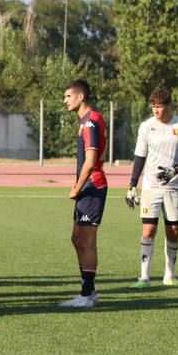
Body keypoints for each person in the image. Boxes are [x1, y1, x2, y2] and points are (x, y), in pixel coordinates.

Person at [125, 88, 178, 288]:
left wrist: (175, 170)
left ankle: (170, 276)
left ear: (169, 105)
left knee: (173, 231)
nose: (156, 111)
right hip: (150, 186)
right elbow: (140, 156)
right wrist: (133, 184)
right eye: (153, 107)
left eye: (159, 107)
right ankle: (144, 278)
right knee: (149, 230)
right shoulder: (146, 126)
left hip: (173, 187)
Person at [60, 79, 106, 308]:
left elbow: (90, 162)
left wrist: (76, 188)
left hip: (92, 187)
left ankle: (87, 295)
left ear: (81, 97)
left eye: (68, 96)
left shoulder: (90, 122)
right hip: (86, 188)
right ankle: (89, 291)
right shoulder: (85, 121)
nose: (65, 100)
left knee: (87, 241)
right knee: (76, 238)